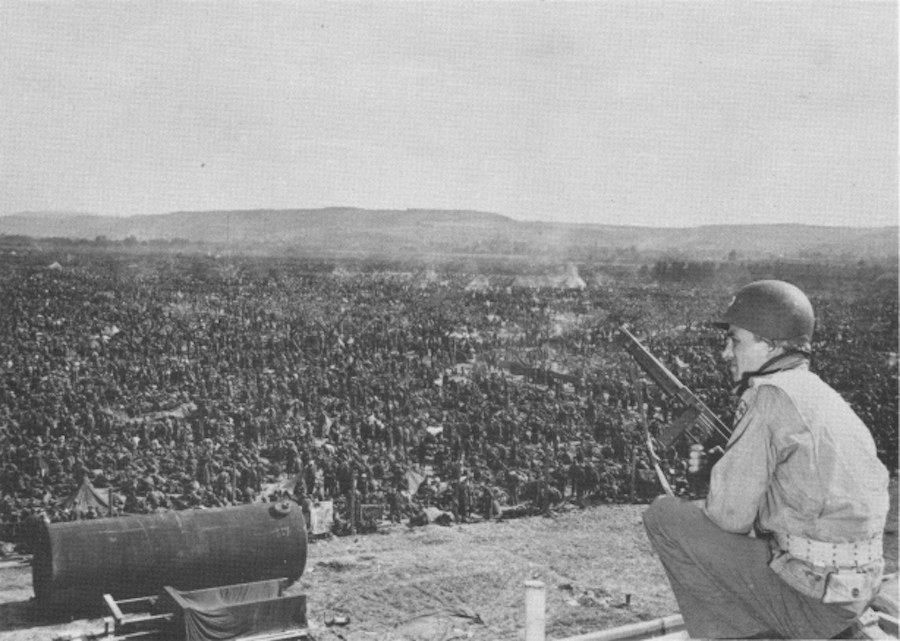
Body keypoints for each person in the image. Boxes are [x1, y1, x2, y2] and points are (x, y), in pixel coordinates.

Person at [642, 280, 890, 639]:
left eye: (736, 340)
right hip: (853, 590)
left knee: (664, 516)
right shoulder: (819, 393)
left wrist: (712, 483)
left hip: (814, 602)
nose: (727, 353)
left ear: (769, 344)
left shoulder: (768, 395)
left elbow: (730, 520)